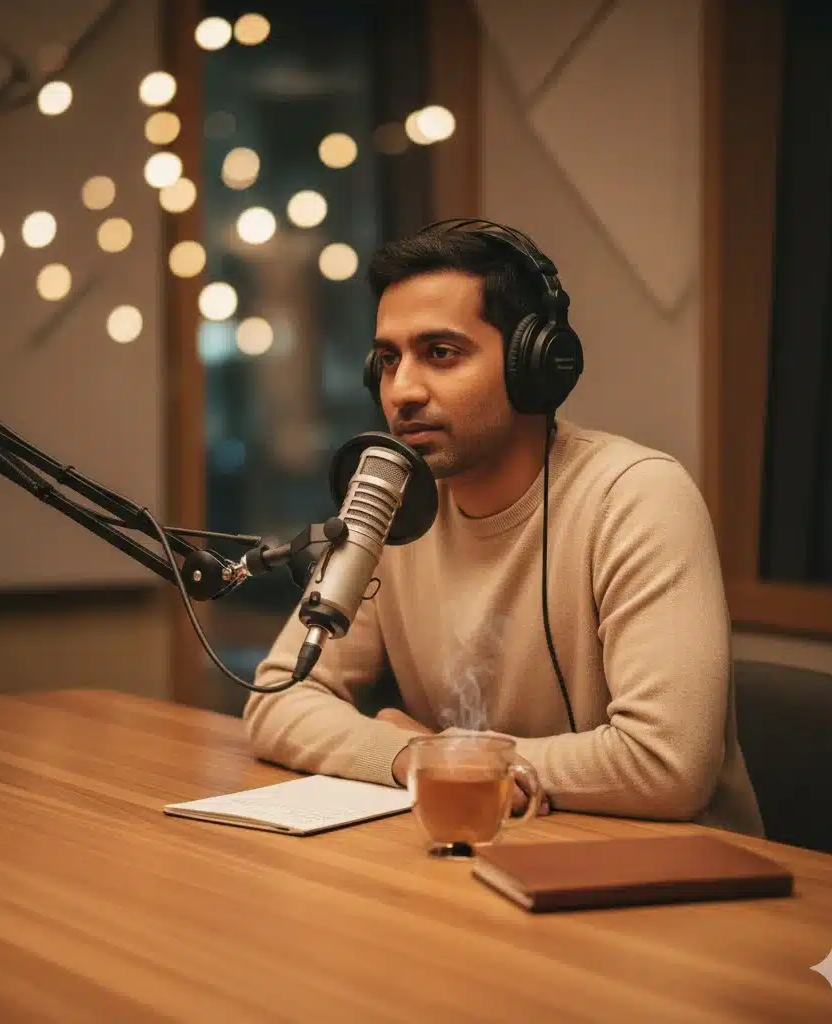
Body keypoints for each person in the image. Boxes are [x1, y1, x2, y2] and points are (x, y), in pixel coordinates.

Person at [243, 218, 765, 838]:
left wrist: (452, 755)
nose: (402, 389)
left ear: (533, 363)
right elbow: (278, 696)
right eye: (388, 359)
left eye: (440, 353)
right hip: (487, 853)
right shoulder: (391, 502)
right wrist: (413, 757)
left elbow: (667, 764)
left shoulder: (637, 496)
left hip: (673, 888)